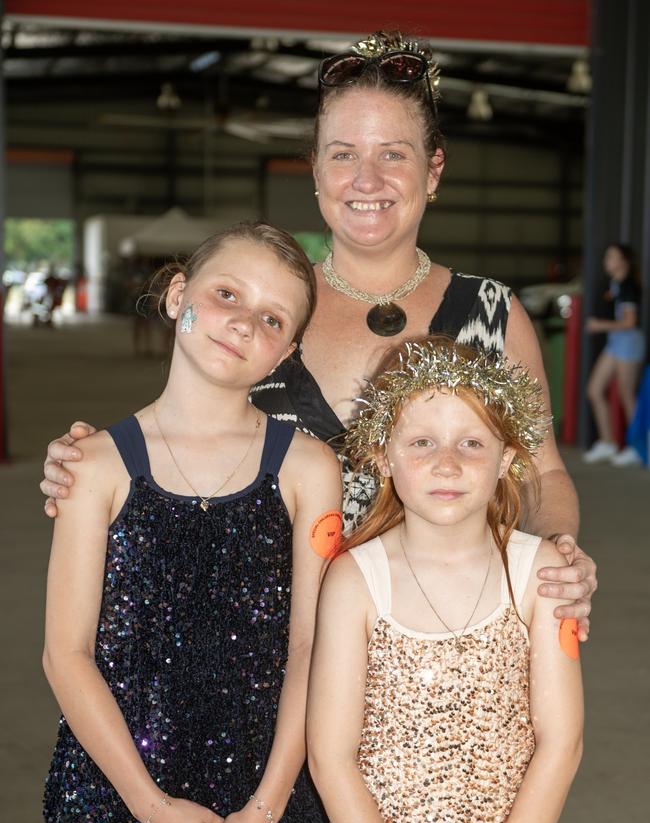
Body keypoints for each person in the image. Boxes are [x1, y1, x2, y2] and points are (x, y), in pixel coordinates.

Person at [40, 30, 596, 644]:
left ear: (433, 170)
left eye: (393, 154)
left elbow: (540, 474)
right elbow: (181, 438)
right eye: (342, 154)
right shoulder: (268, 310)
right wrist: (92, 463)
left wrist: (560, 554)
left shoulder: (494, 313)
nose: (365, 178)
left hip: (444, 644)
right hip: (269, 658)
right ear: (314, 169)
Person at [26, 222, 342, 823]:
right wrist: (150, 807)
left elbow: (311, 650)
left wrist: (265, 809)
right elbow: (64, 654)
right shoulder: (96, 464)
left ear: (287, 352)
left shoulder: (307, 468)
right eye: (226, 294)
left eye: (273, 319)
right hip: (125, 779)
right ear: (178, 298)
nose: (244, 321)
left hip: (257, 784)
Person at [305, 338, 583, 823]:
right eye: (422, 443)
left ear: (509, 459)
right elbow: (331, 756)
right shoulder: (353, 581)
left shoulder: (539, 573)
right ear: (382, 456)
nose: (448, 464)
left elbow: (562, 742)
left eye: (472, 444)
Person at [583, 242, 645, 466]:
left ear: (623, 261)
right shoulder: (615, 284)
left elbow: (630, 322)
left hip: (628, 344)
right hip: (615, 343)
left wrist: (600, 325)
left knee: (627, 395)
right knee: (595, 389)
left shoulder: (628, 286)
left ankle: (638, 448)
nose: (606, 261)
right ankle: (608, 442)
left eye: (611, 257)